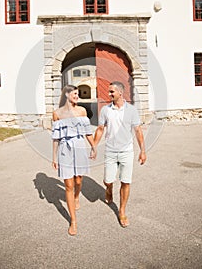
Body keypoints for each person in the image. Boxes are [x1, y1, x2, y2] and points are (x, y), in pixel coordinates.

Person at [94, 81, 146, 227]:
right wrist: (94, 146)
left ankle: (122, 211)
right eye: (109, 91)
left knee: (125, 181)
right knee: (108, 180)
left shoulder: (132, 110)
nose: (109, 94)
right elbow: (100, 129)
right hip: (110, 151)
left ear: (120, 93)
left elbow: (138, 131)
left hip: (126, 152)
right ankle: (109, 188)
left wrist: (142, 150)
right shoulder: (105, 110)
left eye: (111, 92)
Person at [52, 85, 96, 236]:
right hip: (65, 149)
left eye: (78, 94)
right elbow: (56, 137)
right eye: (75, 94)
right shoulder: (57, 114)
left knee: (78, 181)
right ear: (66, 95)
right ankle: (73, 221)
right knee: (68, 185)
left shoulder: (82, 111)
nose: (77, 96)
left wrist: (93, 146)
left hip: (79, 146)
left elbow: (87, 132)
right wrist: (54, 157)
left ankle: (77, 196)